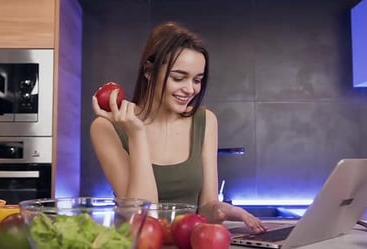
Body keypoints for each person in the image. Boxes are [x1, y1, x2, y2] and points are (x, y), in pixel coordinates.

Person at [90, 21, 265, 233]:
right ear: (149, 71)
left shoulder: (206, 121)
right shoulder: (107, 127)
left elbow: (206, 207)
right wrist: (137, 135)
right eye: (178, 78)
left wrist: (221, 210)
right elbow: (142, 217)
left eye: (197, 80)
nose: (190, 89)